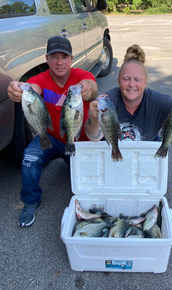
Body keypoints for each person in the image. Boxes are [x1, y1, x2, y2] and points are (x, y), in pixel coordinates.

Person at [7, 36, 98, 227]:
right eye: (54, 57)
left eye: (64, 57)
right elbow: (31, 88)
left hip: (78, 141)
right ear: (46, 59)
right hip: (51, 138)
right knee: (29, 159)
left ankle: (72, 164)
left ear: (71, 59)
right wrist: (19, 88)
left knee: (91, 182)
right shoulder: (40, 79)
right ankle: (31, 200)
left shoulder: (81, 75)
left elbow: (92, 87)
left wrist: (87, 90)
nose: (59, 62)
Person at [84, 44, 172, 143]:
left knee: (157, 141)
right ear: (119, 81)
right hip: (113, 154)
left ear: (145, 82)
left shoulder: (157, 100)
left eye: (137, 79)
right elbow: (93, 136)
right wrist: (94, 119)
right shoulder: (108, 100)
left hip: (143, 156)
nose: (131, 84)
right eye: (126, 79)